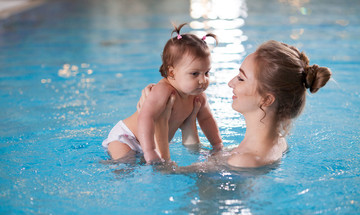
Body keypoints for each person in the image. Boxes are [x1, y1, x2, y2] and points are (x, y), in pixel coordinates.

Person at [141, 40, 332, 168]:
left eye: (241, 78)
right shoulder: (278, 144)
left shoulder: (243, 161)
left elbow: (164, 176)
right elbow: (211, 160)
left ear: (266, 99)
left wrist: (161, 122)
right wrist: (190, 121)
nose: (230, 82)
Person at [102, 23, 223, 164]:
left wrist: (217, 145)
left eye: (206, 72)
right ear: (172, 72)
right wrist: (150, 151)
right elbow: (145, 117)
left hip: (151, 142)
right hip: (127, 137)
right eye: (195, 73)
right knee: (124, 166)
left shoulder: (198, 96)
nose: (203, 80)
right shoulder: (164, 90)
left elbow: (206, 119)